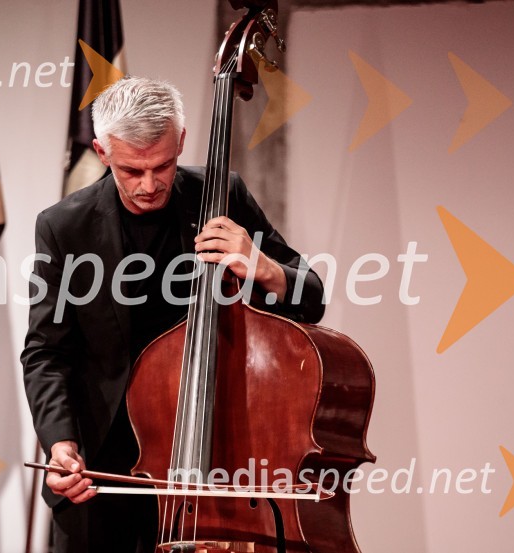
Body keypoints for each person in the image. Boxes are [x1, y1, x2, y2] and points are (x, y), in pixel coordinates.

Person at [21, 76, 325, 552]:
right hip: (104, 471)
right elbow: (45, 351)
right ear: (102, 152)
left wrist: (263, 267)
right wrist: (61, 444)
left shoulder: (223, 195)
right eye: (131, 171)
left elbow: (312, 297)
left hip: (212, 460)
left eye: (162, 166)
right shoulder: (64, 227)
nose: (148, 185)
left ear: (181, 141)